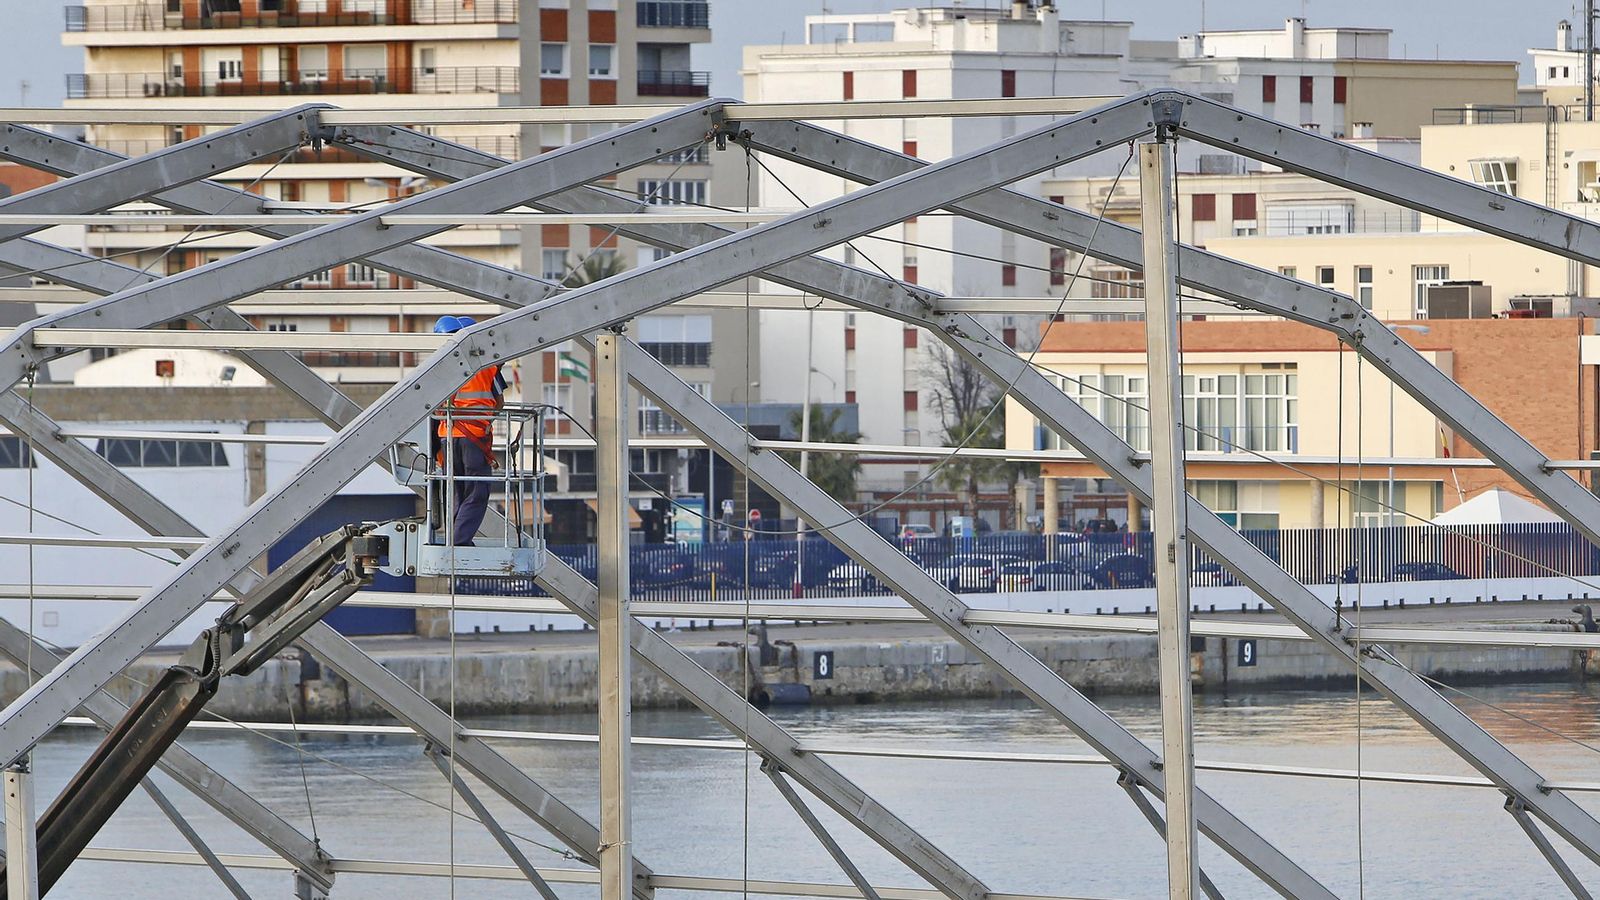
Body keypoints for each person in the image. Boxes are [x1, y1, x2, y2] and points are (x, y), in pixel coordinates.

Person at [434, 315, 504, 547]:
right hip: (473, 437)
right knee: (476, 491)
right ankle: (459, 541)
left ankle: (454, 539)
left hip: (447, 435)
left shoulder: (439, 366)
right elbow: (499, 401)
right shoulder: (484, 365)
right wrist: (484, 420)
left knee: (456, 489)